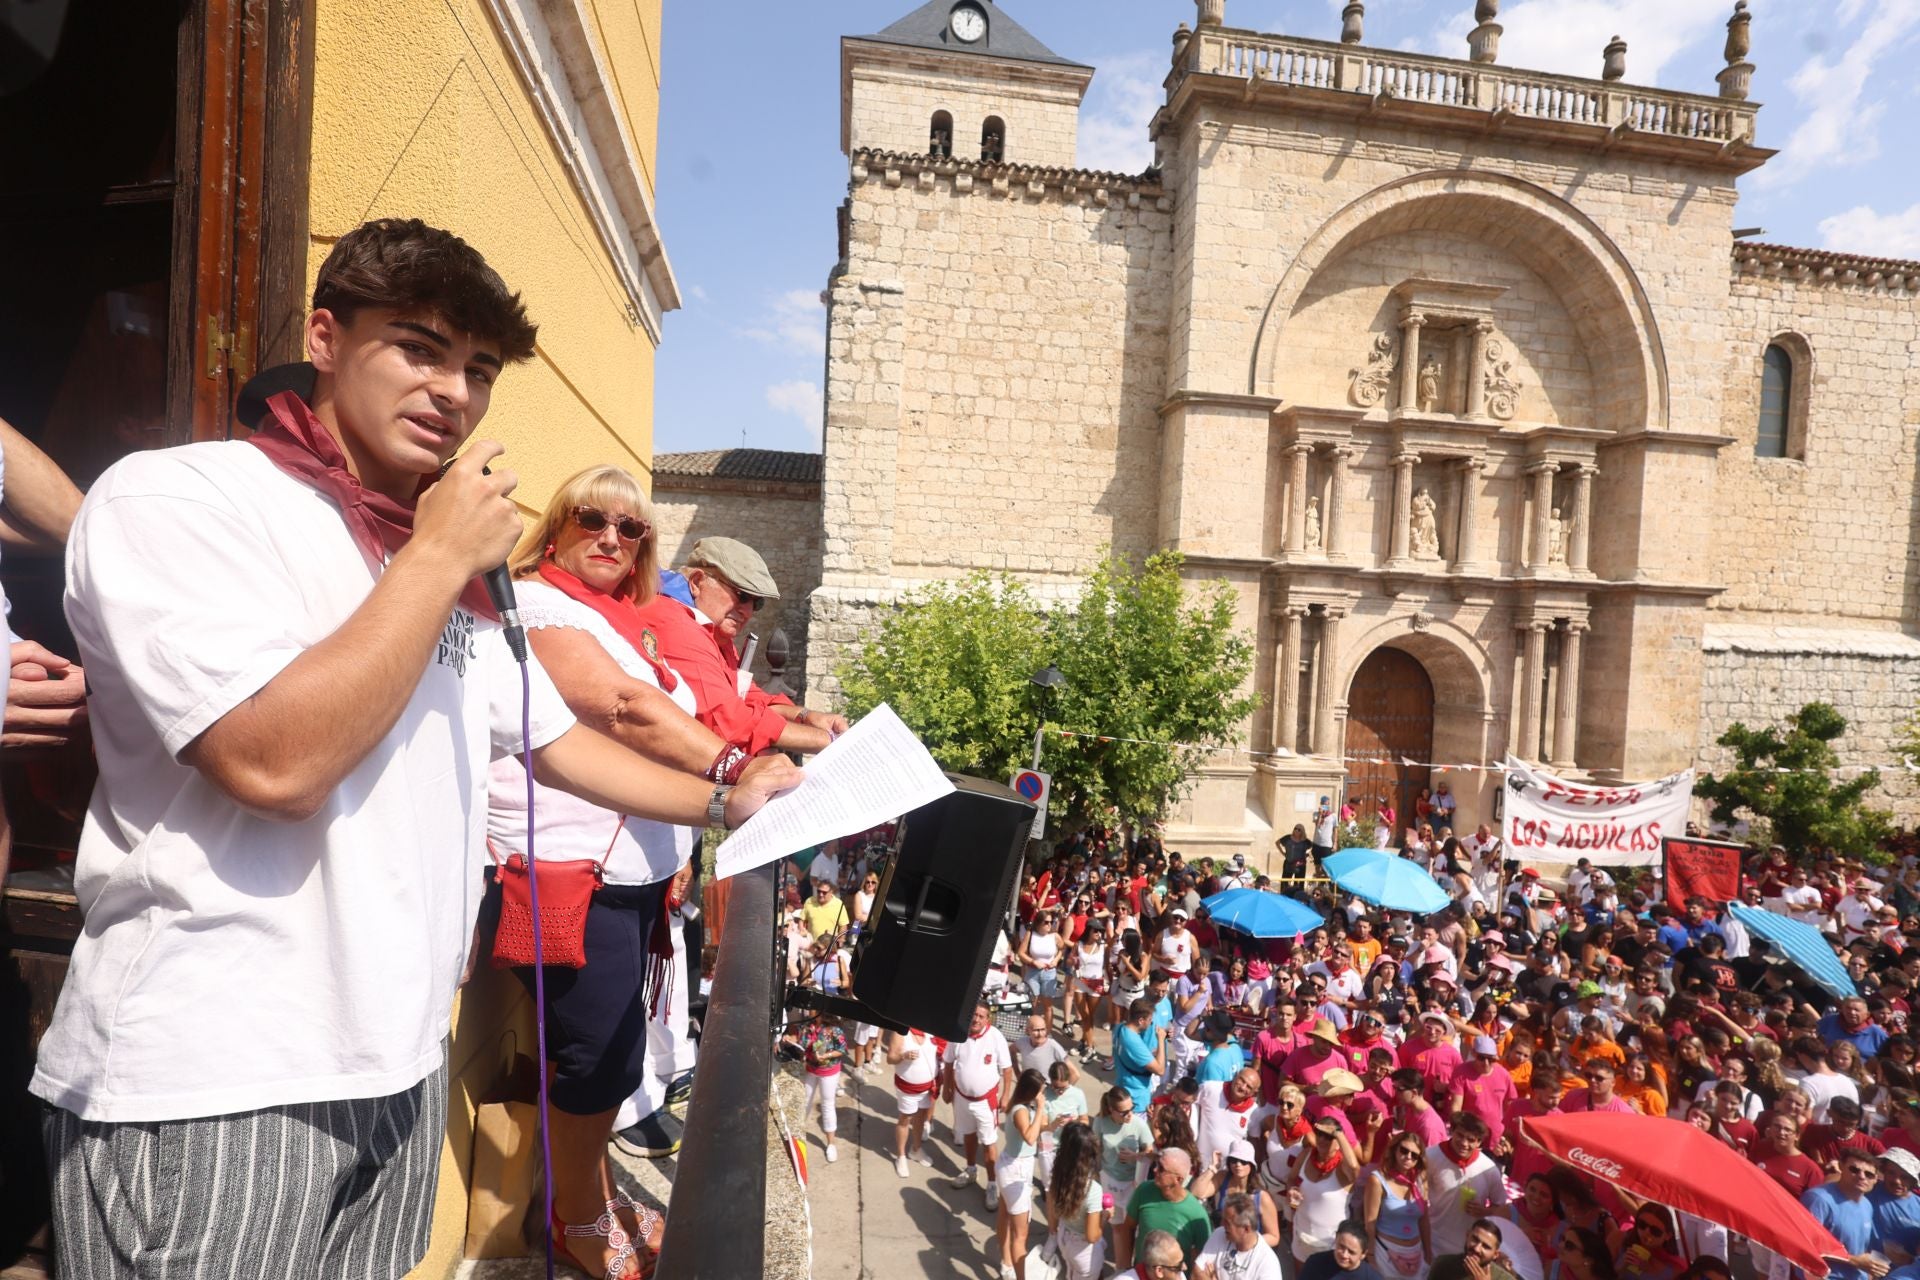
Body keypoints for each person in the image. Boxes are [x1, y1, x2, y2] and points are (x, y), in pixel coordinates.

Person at [31, 219, 802, 1280]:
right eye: (418, 347)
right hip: (214, 1078)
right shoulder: (183, 497)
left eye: (478, 368)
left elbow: (554, 739)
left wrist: (728, 801)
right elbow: (273, 764)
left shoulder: (428, 559)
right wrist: (437, 555)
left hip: (395, 1068)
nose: (454, 391)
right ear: (326, 336)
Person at [634, 536, 845, 754]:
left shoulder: (710, 629)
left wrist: (805, 716)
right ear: (697, 582)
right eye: (742, 595)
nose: (748, 611)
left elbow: (742, 693)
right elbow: (727, 720)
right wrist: (828, 740)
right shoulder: (675, 624)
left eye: (757, 602)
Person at [947, 999, 1017, 1202]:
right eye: (974, 1015)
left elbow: (1007, 1068)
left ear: (988, 1019)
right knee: (968, 1135)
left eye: (981, 1016)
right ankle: (970, 1170)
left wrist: (1005, 1095)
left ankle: (992, 1184)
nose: (976, 1019)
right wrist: (948, 1088)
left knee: (988, 1143)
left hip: (985, 1102)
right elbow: (949, 1063)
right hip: (961, 1098)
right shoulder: (957, 1033)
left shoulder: (996, 1037)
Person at [1427, 1114, 1509, 1258]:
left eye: (1471, 1140)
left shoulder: (1488, 1168)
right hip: (1434, 1242)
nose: (1464, 1143)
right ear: (1451, 1131)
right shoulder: (1431, 1156)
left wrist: (1485, 1211)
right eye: (1460, 1135)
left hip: (1470, 1250)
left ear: (1479, 1143)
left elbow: (1502, 1208)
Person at [1803, 1151, 1893, 1280]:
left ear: (1875, 1180)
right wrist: (1854, 1261)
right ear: (1841, 1167)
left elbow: (1861, 1247)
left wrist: (1870, 1271)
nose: (1862, 1177)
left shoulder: (1867, 1204)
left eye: (1869, 1174)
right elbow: (1807, 1245)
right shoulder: (1818, 1199)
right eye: (1854, 1170)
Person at [1123, 1147, 1213, 1270]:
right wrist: (1126, 1266)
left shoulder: (1197, 1214)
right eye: (1156, 1165)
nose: (1154, 1170)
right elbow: (1128, 1227)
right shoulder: (1143, 1190)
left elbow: (1204, 1257)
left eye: (1161, 1168)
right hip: (1141, 1273)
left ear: (1178, 1179)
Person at [1290, 1114, 1363, 1265]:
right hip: (1301, 1233)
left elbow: (1355, 1168)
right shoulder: (1306, 1154)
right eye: (1320, 1134)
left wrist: (1338, 1133)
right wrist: (1292, 1190)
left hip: (1330, 1242)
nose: (1322, 1139)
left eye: (1328, 1136)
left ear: (1339, 1142)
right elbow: (1291, 1179)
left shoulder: (1343, 1167)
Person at [997, 1068, 1048, 1280]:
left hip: (1012, 1166)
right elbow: (1029, 1137)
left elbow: (1038, 1129)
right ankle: (1018, 1275)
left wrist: (1051, 1122)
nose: (1043, 1094)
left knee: (1005, 1214)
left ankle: (1006, 1262)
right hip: (1016, 1172)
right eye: (1041, 1091)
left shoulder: (1021, 1106)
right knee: (1021, 1234)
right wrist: (1041, 1107)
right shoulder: (1021, 1111)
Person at [1045, 1120, 1109, 1280]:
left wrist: (1052, 1226)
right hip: (1084, 1252)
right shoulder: (1093, 1190)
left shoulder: (1058, 1172)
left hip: (1064, 1238)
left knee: (1071, 1272)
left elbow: (1051, 1201)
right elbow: (1092, 1236)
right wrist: (1105, 1217)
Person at [1364, 1132, 1433, 1279]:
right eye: (1404, 1150)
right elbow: (1370, 1223)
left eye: (1414, 1155)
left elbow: (1424, 1220)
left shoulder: (1420, 1181)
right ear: (1394, 1149)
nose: (1408, 1157)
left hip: (1416, 1253)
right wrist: (1370, 1256)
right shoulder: (1377, 1180)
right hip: (1386, 1251)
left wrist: (1428, 1253)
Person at [1094, 1085, 1157, 1238]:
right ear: (1111, 1110)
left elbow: (1152, 1154)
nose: (1130, 1114)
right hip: (1109, 1179)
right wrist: (1096, 1173)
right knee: (1115, 1222)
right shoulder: (1100, 1122)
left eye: (1132, 1108)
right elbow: (1096, 1149)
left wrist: (1135, 1156)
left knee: (1132, 1225)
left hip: (1133, 1182)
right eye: (1124, 1112)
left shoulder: (1139, 1125)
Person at [1193, 1193, 1286, 1280]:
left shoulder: (1267, 1263)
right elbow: (1196, 1272)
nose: (1222, 1224)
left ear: (1246, 1229)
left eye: (1228, 1223)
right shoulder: (1220, 1234)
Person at [888, 1027, 942, 1176]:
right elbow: (890, 1058)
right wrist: (903, 1056)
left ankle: (916, 1149)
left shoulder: (929, 1030)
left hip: (927, 1087)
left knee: (920, 1119)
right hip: (907, 1089)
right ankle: (901, 1156)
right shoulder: (900, 1032)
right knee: (905, 1120)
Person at [799, 1009, 848, 1165]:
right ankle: (798, 1135)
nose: (808, 1011)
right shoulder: (808, 1025)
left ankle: (831, 1144)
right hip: (811, 1070)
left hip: (829, 1072)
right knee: (804, 1100)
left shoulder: (833, 1029)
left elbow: (841, 1049)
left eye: (812, 1009)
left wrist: (826, 1055)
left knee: (827, 1104)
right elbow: (803, 1045)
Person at [1301, 1220, 1389, 1280]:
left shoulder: (1372, 1278)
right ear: (1336, 1238)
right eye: (1341, 1247)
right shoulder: (1315, 1263)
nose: (1344, 1255)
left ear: (1363, 1254)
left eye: (1351, 1252)